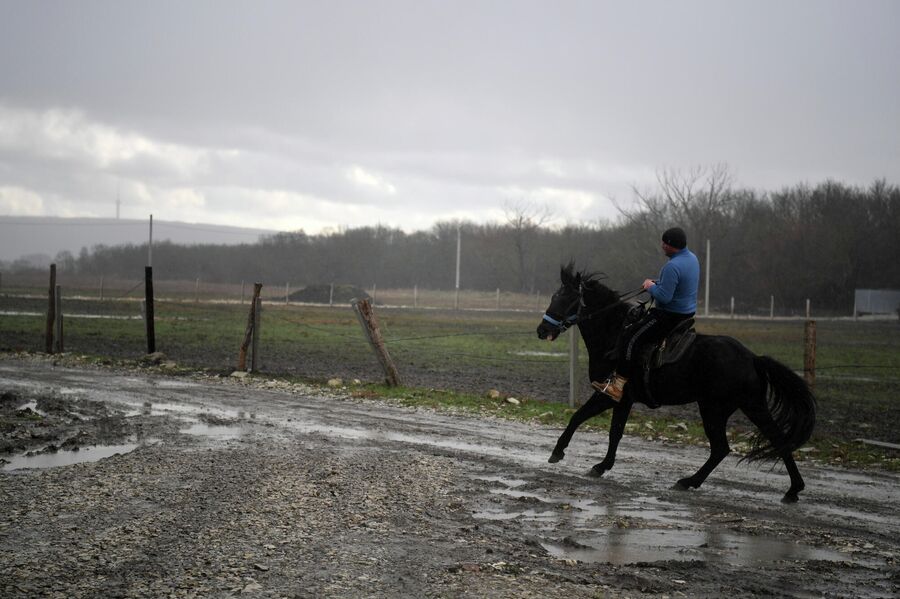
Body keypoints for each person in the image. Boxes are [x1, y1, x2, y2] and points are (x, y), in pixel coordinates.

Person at [594, 226, 700, 401]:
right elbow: (677, 283)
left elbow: (665, 297)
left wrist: (651, 287)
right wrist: (657, 282)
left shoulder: (672, 266)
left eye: (664, 243)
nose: (662, 245)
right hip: (687, 314)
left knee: (630, 336)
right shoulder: (692, 259)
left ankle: (617, 386)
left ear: (670, 245)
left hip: (669, 316)